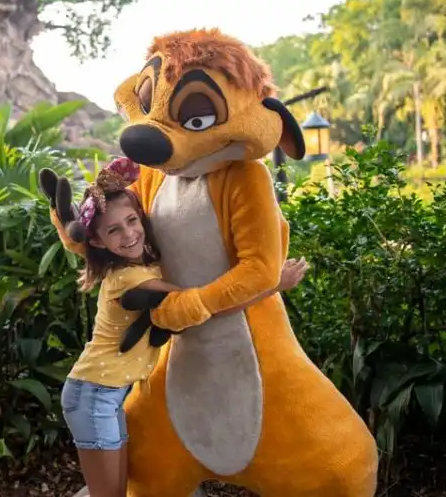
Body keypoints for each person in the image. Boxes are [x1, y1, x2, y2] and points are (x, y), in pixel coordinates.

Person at [56, 158, 309, 497]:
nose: (129, 234)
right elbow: (205, 307)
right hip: (92, 395)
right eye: (114, 230)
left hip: (106, 394)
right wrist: (273, 286)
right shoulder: (131, 280)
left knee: (120, 490)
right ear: (99, 242)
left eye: (132, 221)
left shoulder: (143, 266)